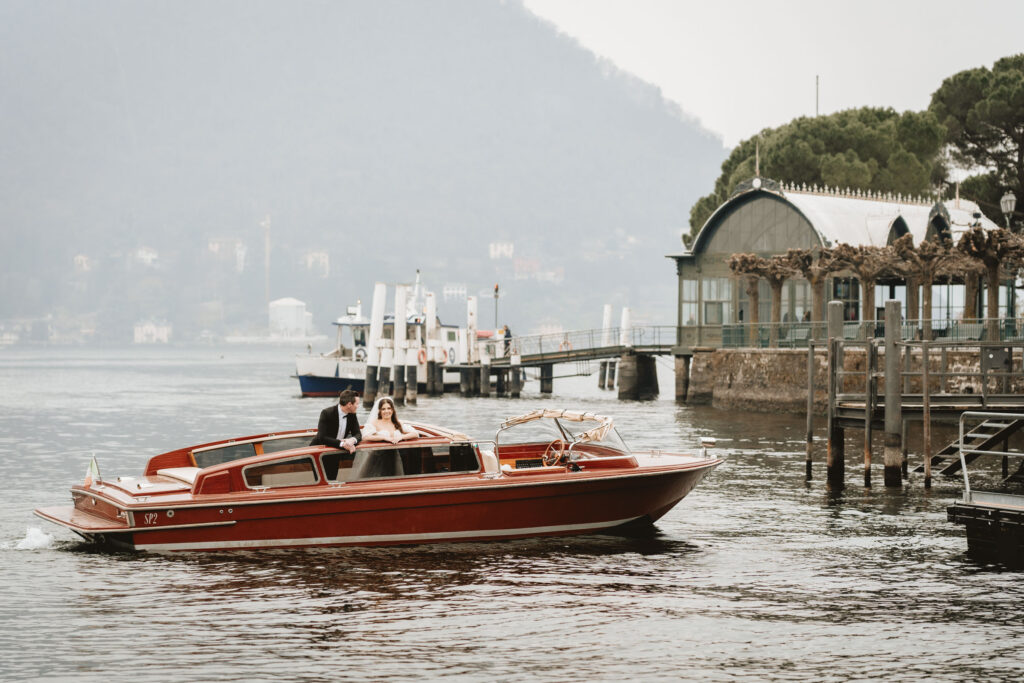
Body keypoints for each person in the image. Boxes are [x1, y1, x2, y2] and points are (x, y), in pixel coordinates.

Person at [309, 388, 361, 453]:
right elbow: (322, 437)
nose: (358, 406)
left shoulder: (352, 415)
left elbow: (358, 434)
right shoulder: (326, 413)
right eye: (357, 404)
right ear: (349, 404)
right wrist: (343, 444)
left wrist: (352, 440)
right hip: (318, 451)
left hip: (337, 452)